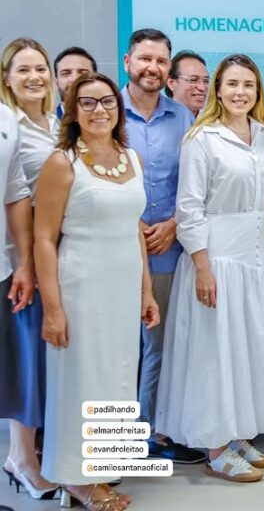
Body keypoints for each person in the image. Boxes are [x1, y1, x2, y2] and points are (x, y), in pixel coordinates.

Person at [37, 72, 159, 510]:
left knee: (118, 377)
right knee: (82, 380)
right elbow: (45, 239)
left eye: (106, 101)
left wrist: (146, 291)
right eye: (87, 103)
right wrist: (53, 308)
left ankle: (104, 468)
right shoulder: (62, 162)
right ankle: (77, 479)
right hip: (80, 285)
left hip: (124, 284)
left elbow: (134, 231)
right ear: (72, 111)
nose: (99, 110)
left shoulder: (131, 157)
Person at [155, 54, 264, 483]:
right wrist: (202, 267)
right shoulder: (201, 139)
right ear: (218, 91)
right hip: (217, 256)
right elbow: (188, 210)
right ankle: (214, 447)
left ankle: (238, 432)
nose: (240, 92)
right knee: (215, 351)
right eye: (231, 84)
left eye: (248, 84)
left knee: (248, 346)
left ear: (257, 91)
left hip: (258, 254)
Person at [120, 29, 203, 465]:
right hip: (114, 253)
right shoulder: (106, 111)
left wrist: (173, 223)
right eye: (145, 59)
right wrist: (131, 226)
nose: (152, 67)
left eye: (160, 61)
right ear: (128, 61)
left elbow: (194, 185)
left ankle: (150, 435)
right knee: (113, 352)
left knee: (160, 347)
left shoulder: (184, 119)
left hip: (167, 252)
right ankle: (111, 447)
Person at [0, 40, 48, 500]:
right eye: (23, 69)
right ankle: (22, 458)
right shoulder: (8, 123)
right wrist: (24, 262)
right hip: (28, 259)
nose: (34, 77)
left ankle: (33, 457)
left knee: (38, 360)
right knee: (24, 361)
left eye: (41, 68)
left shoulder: (53, 125)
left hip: (56, 258)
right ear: (7, 76)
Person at [52, 47, 96, 119]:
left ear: (96, 81)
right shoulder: (45, 127)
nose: (74, 79)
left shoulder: (112, 122)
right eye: (66, 73)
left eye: (83, 73)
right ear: (56, 83)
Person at [164, 50, 208, 116]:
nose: (202, 87)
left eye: (206, 81)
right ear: (171, 83)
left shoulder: (215, 122)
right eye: (193, 80)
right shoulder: (155, 119)